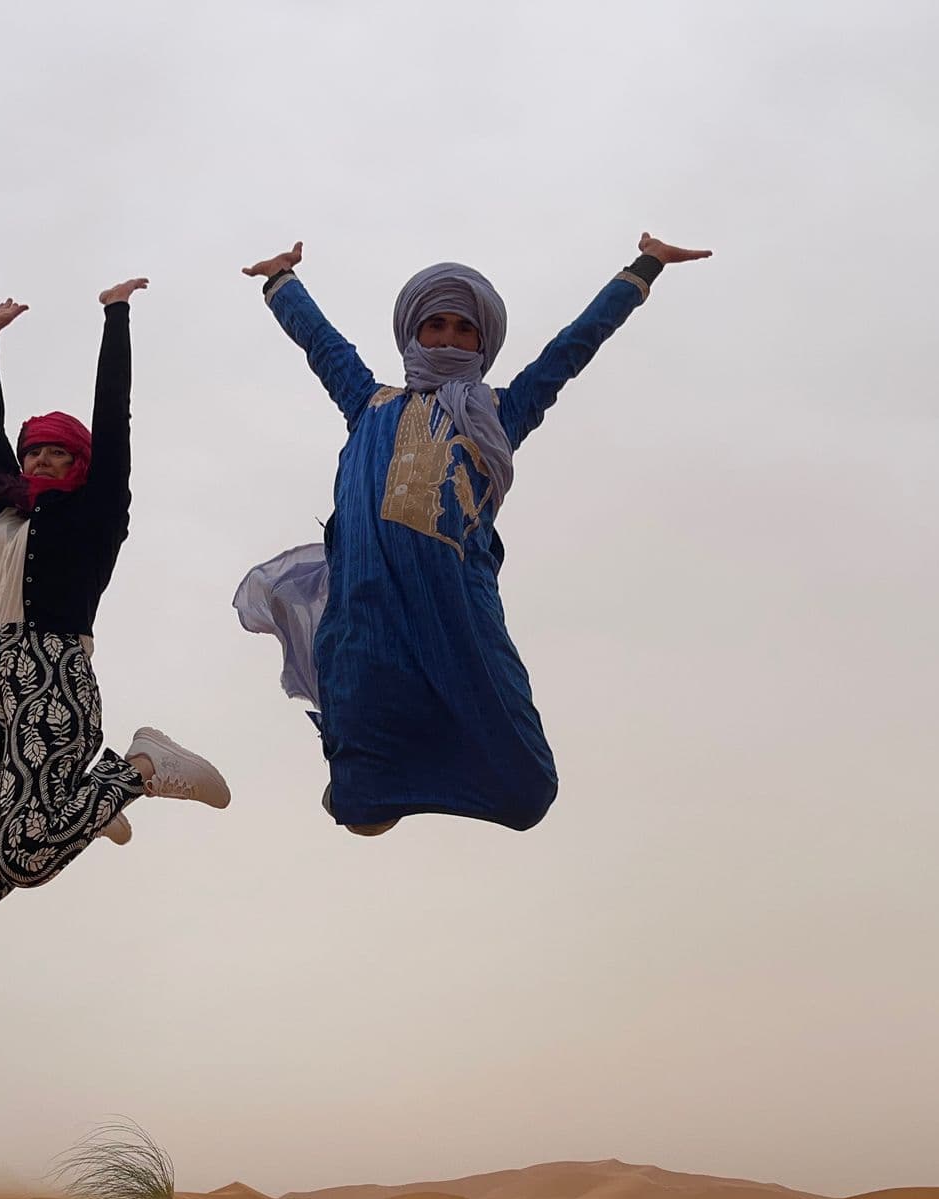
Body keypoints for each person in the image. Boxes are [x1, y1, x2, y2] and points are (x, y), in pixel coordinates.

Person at [234, 235, 711, 835]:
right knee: (361, 815)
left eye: (465, 329)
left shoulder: (501, 414)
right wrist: (280, 280)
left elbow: (574, 347)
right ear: (414, 334)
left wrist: (645, 267)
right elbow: (321, 343)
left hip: (459, 613)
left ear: (483, 343)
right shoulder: (368, 402)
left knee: (527, 793)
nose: (449, 339)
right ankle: (369, 777)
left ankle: (422, 769)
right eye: (436, 325)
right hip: (366, 615)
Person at [0, 278, 229, 921]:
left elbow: (112, 415)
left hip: (53, 668)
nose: (41, 460)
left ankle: (144, 765)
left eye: (58, 452)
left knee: (26, 852)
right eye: (34, 450)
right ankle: (85, 804)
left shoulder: (97, 512)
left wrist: (115, 316)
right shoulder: (3, 508)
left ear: (81, 464)